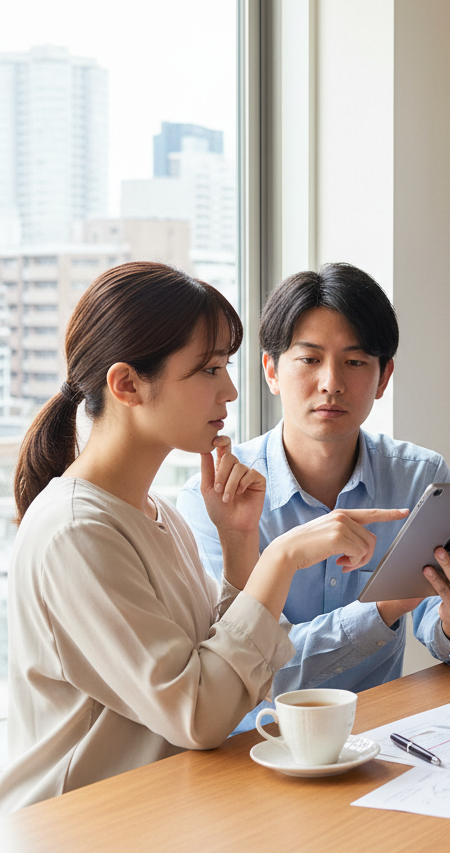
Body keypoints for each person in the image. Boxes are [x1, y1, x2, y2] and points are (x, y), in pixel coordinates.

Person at [0, 262, 399, 813]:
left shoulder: (154, 512)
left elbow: (224, 675)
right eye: (210, 369)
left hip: (163, 812)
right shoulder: (77, 533)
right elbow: (200, 715)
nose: (230, 390)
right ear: (127, 384)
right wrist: (280, 556)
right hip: (82, 826)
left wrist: (239, 546)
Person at [177, 263, 450, 734]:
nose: (331, 382)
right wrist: (385, 606)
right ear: (271, 370)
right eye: (309, 360)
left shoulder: (421, 477)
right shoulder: (215, 501)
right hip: (253, 749)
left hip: (377, 739)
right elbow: (246, 670)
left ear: (383, 376)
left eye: (355, 362)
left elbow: (447, 636)